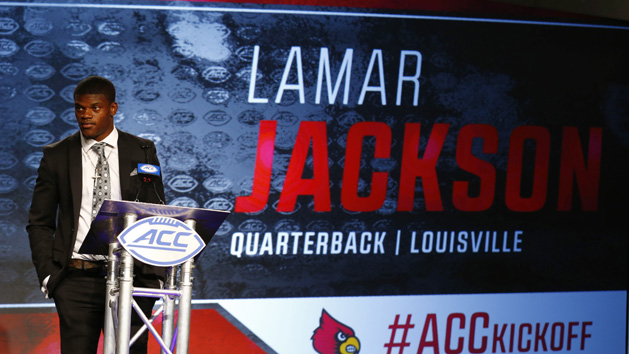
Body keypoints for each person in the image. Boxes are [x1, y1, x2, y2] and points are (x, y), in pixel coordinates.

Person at [26, 76, 166, 354]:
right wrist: (49, 276)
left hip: (132, 279)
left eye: (95, 107)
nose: (85, 115)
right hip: (76, 280)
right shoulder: (57, 155)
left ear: (112, 108)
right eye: (79, 108)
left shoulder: (142, 151)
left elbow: (156, 213)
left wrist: (155, 277)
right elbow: (39, 222)